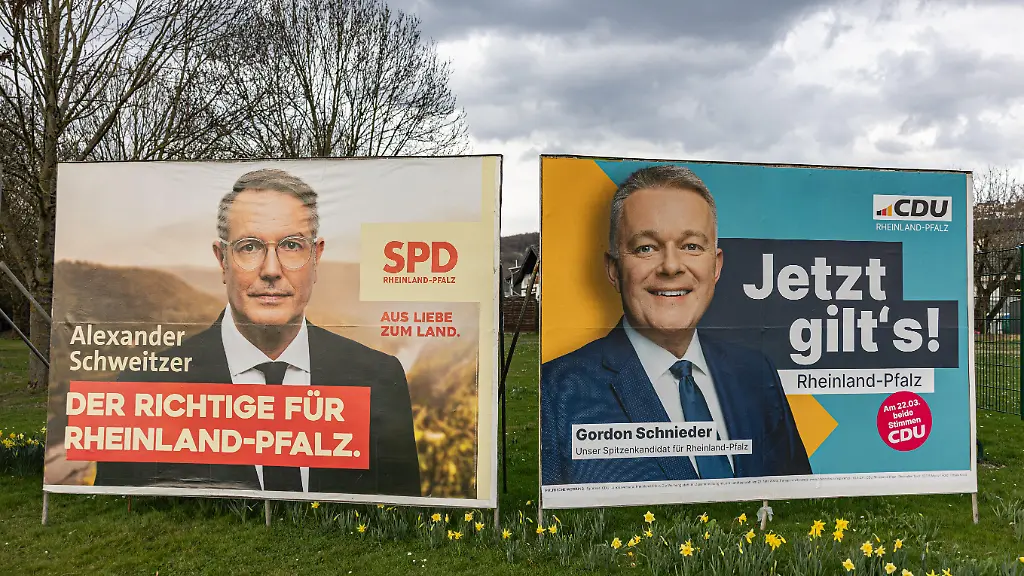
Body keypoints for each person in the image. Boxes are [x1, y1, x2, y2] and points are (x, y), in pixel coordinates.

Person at [93, 168, 422, 496]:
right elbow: (114, 525)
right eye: (249, 247)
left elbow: (403, 517)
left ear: (316, 258)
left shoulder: (380, 378)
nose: (271, 270)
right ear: (222, 259)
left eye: (292, 245)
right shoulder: (143, 390)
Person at [541, 164, 811, 485]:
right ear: (614, 270)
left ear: (716, 266)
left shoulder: (756, 372)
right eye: (646, 248)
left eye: (691, 246)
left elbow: (797, 504)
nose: (671, 266)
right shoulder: (557, 392)